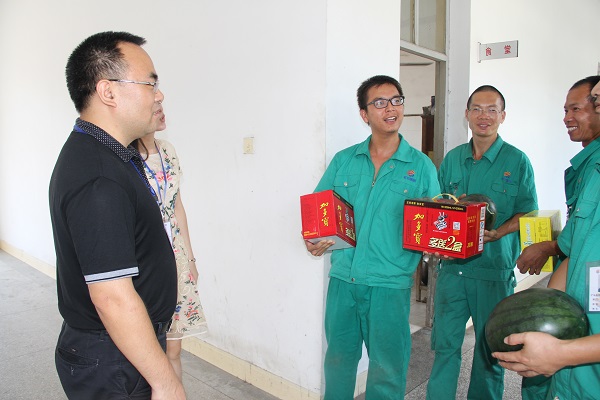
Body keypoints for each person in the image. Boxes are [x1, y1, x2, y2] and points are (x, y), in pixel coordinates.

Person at [49, 31, 185, 399]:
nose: (159, 95)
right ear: (108, 92)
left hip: (122, 346)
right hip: (114, 358)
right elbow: (112, 298)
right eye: (150, 83)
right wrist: (166, 381)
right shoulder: (99, 177)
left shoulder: (107, 155)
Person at [304, 75, 440, 399]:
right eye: (380, 103)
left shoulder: (421, 167)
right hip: (344, 282)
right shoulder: (344, 161)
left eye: (396, 100)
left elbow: (435, 225)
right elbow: (318, 213)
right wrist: (312, 240)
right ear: (365, 114)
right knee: (338, 364)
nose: (390, 108)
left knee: (387, 371)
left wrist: (441, 241)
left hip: (389, 286)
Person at [426, 85, 538, 400]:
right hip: (453, 271)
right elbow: (439, 206)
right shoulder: (453, 159)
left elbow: (529, 212)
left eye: (491, 109)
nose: (483, 116)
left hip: (493, 271)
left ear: (502, 116)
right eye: (476, 109)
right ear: (467, 114)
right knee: (445, 347)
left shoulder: (517, 161)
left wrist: (499, 233)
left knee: (490, 352)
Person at [494, 76, 600, 399]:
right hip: (578, 337)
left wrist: (562, 352)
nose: (567, 117)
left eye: (578, 108)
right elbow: (577, 249)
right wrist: (546, 308)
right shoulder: (591, 171)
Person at [135, 128, 208, 381]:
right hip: (145, 253)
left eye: (160, 108)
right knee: (147, 347)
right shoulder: (125, 154)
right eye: (154, 108)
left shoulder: (167, 150)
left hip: (175, 252)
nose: (159, 110)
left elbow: (177, 205)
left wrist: (190, 259)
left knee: (173, 348)